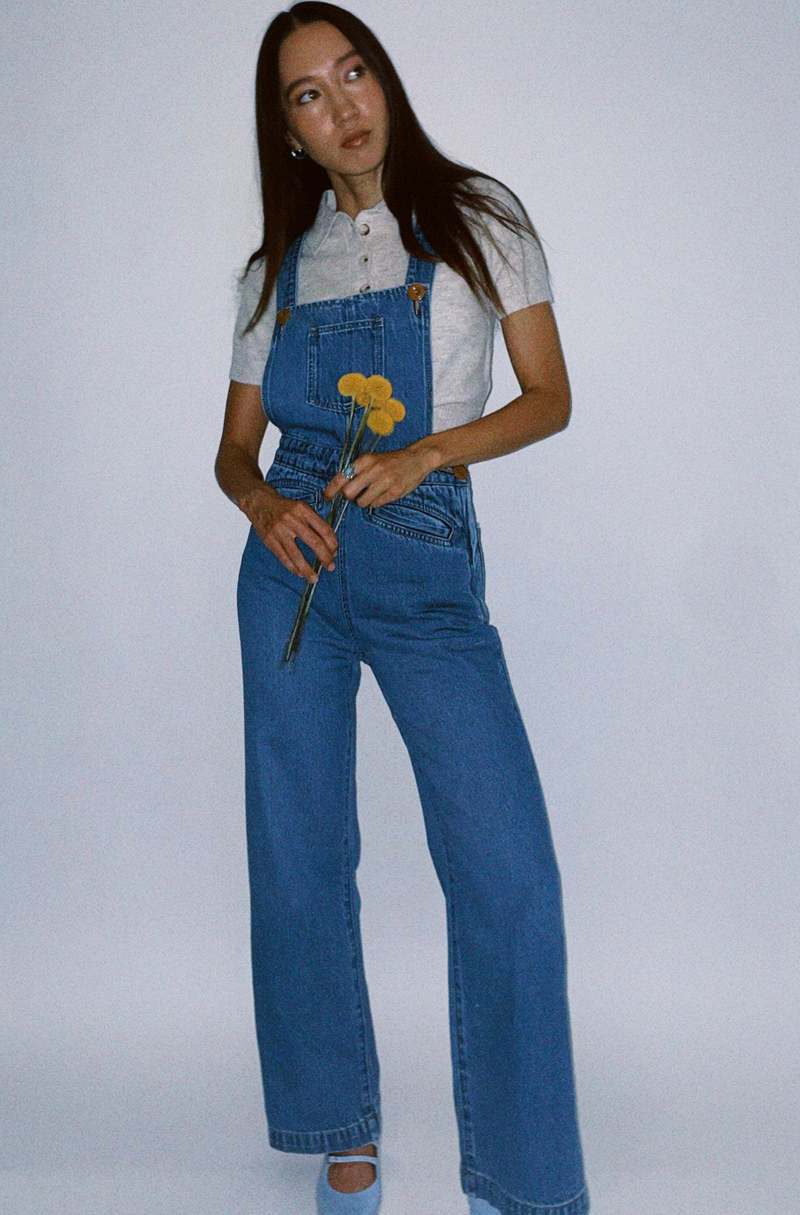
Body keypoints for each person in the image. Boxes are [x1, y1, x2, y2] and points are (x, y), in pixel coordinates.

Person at [214, 5, 591, 1214]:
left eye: (353, 73)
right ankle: (340, 1130)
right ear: (288, 131)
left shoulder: (479, 219)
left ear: (383, 79)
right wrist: (260, 504)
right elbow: (232, 450)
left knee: (505, 870)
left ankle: (520, 1181)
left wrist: (428, 454)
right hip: (293, 576)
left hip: (422, 558)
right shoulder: (274, 273)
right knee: (300, 853)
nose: (342, 106)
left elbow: (547, 397)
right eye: (307, 94)